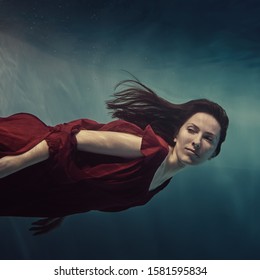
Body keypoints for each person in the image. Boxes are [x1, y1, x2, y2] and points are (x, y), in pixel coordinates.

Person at [0, 79, 229, 234]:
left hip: (34, 190)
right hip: (24, 154)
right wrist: (15, 162)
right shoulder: (150, 149)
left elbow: (96, 182)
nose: (197, 142)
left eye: (209, 138)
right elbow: (68, 138)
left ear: (214, 153)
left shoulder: (163, 181)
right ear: (177, 134)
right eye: (192, 130)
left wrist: (62, 209)